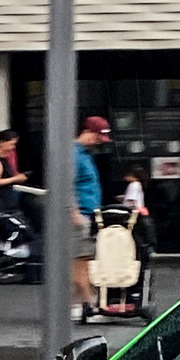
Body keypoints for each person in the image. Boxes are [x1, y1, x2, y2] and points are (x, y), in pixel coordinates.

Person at [70, 116, 111, 322]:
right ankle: (88, 305)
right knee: (82, 263)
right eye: (98, 137)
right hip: (80, 216)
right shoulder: (73, 155)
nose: (99, 142)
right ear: (89, 131)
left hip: (89, 215)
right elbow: (66, 184)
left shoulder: (84, 154)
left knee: (86, 261)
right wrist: (73, 212)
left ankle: (78, 306)